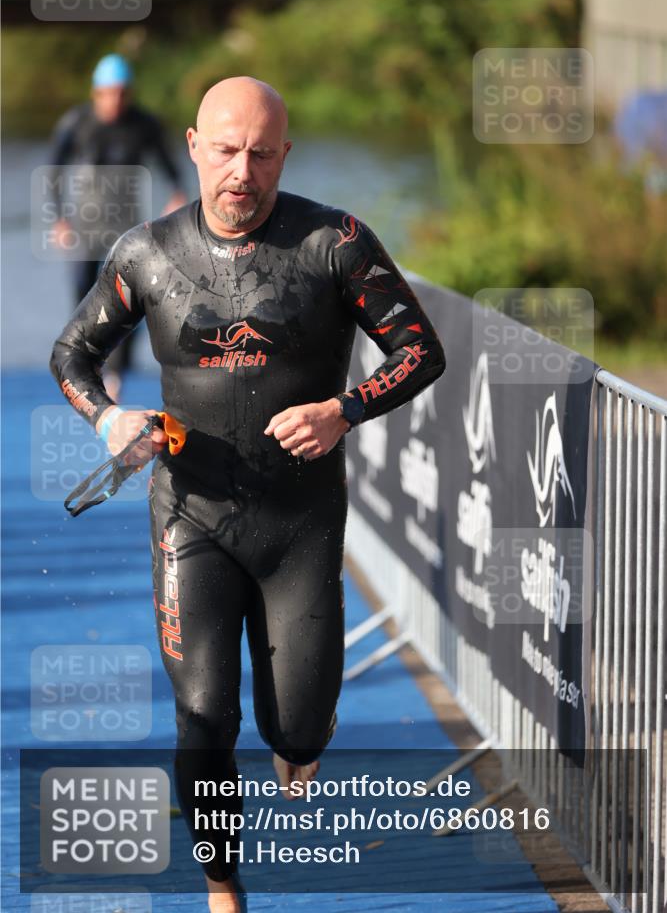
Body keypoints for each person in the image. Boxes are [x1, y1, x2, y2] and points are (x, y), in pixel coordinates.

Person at [50, 76, 446, 912]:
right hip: (188, 518)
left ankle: (301, 737)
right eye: (226, 150)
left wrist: (345, 408)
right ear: (193, 146)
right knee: (202, 719)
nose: (242, 171)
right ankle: (222, 884)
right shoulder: (144, 255)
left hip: (299, 524)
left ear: (283, 155)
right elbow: (72, 359)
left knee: (295, 730)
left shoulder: (334, 244)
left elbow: (419, 350)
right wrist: (109, 421)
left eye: (261, 154)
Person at [48, 53, 188, 399]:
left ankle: (116, 375)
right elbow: (54, 170)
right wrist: (59, 218)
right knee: (83, 295)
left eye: (123, 93)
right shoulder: (77, 122)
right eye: (109, 93)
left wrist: (177, 194)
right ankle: (84, 363)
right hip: (85, 222)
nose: (116, 101)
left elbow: (171, 164)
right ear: (97, 93)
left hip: (125, 225)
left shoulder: (143, 124)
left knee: (128, 296)